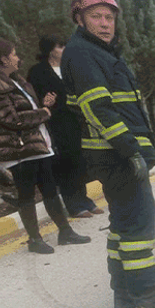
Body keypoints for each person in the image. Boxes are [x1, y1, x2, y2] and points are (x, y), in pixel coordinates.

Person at [61, 0, 155, 308]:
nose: (104, 23)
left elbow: (123, 109)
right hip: (116, 156)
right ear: (79, 18)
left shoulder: (98, 52)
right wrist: (132, 150)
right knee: (138, 229)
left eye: (109, 16)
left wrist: (150, 144)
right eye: (95, 16)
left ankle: (123, 297)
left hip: (111, 155)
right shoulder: (84, 53)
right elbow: (97, 108)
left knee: (121, 226)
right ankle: (145, 304)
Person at [0, 38, 91, 254]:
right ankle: (35, 239)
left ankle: (65, 232)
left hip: (36, 143)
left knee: (50, 188)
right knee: (26, 194)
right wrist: (43, 113)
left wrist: (43, 106)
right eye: (13, 54)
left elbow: (25, 111)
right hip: (18, 148)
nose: (17, 57)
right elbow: (9, 118)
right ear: (3, 59)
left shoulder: (14, 80)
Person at [27, 35, 104, 219]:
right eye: (60, 46)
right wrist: (44, 102)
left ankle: (84, 199)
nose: (65, 49)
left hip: (77, 120)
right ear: (49, 50)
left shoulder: (70, 67)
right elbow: (31, 98)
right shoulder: (38, 72)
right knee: (65, 164)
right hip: (56, 124)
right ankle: (74, 205)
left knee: (79, 161)